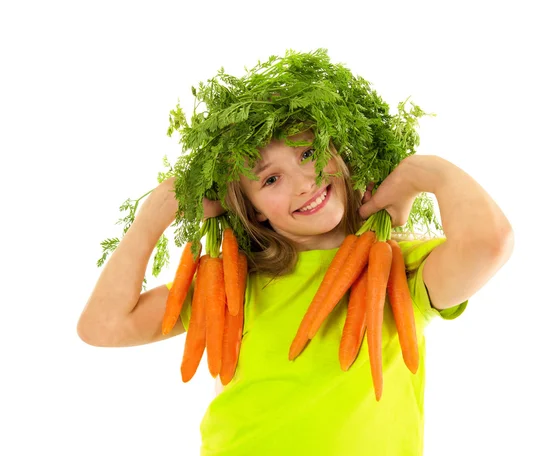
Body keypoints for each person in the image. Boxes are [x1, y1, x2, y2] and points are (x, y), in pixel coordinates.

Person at [77, 51, 514, 455]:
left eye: (309, 152)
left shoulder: (403, 271)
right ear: (253, 212)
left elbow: (489, 244)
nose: (304, 181)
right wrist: (155, 214)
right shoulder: (231, 284)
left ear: (340, 153)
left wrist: (425, 172)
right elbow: (103, 327)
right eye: (270, 180)